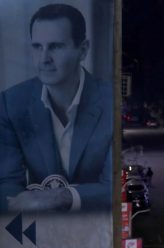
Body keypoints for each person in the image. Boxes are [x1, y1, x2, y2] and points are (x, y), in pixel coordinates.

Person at [0, 4, 112, 213]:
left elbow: (114, 187)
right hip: (37, 232)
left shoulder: (110, 102)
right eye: (37, 47)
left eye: (56, 46)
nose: (44, 59)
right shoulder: (10, 103)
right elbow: (6, 182)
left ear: (83, 50)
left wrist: (62, 197)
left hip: (98, 231)